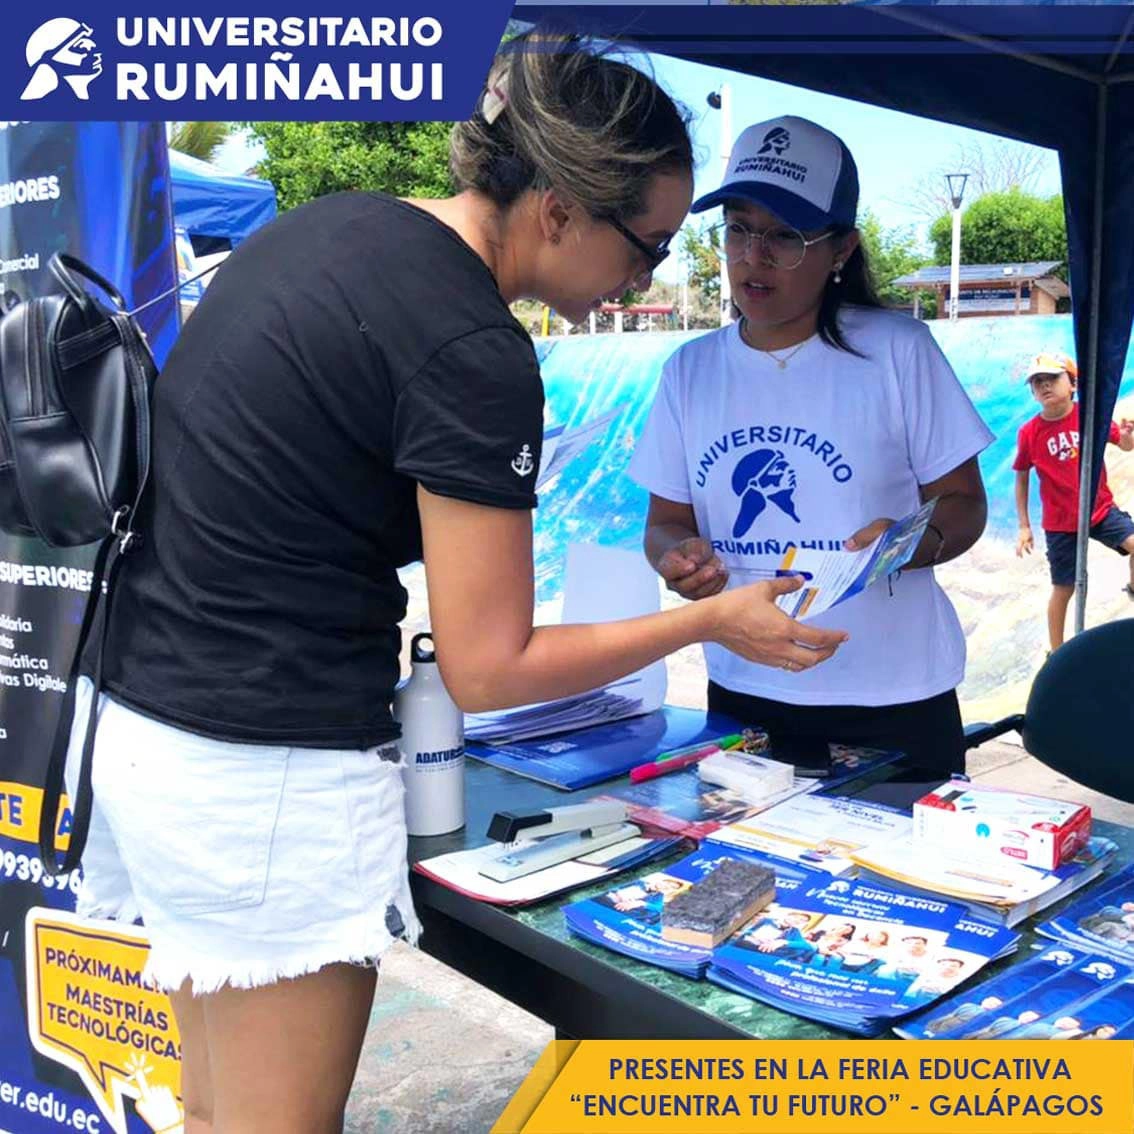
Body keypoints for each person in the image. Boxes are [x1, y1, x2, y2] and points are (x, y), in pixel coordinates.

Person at [64, 39, 848, 1133]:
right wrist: (711, 621)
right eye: (651, 245)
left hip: (148, 727)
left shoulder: (335, 229)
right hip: (262, 769)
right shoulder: (470, 344)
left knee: (213, 1113)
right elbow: (489, 667)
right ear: (560, 209)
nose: (652, 277)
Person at [629, 115, 991, 783]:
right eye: (738, 229)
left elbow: (965, 502)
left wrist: (911, 542)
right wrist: (676, 559)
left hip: (893, 697)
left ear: (841, 249)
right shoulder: (689, 371)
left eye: (785, 236)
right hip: (744, 688)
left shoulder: (897, 352)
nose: (753, 256)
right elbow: (665, 523)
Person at [1013, 352, 1134, 652]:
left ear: (1073, 384)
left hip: (1099, 510)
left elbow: (1125, 445)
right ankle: (1056, 652)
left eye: (1052, 378)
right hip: (1060, 523)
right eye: (1037, 382)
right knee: (1064, 588)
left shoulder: (1090, 417)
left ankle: (1132, 588)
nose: (1045, 385)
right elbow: (1022, 478)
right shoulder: (1029, 432)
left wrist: (1128, 435)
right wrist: (1024, 526)